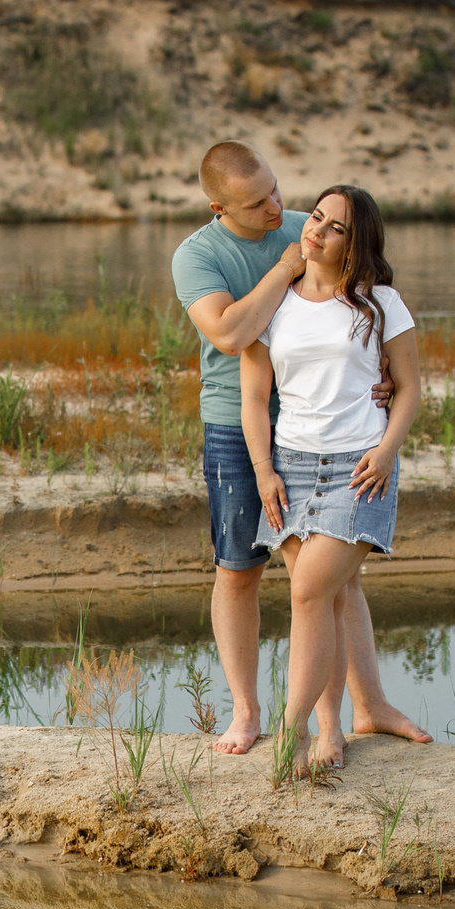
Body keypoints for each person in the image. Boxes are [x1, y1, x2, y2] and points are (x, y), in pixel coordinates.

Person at [174, 149, 425, 760]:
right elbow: (231, 336)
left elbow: (359, 298)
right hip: (244, 423)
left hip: (332, 429)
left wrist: (380, 380)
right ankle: (248, 712)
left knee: (336, 583)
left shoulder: (305, 229)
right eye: (259, 203)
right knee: (238, 566)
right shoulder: (199, 257)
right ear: (220, 209)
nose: (279, 210)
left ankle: (360, 710)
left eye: (279, 193)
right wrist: (285, 270)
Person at [240, 184, 429, 776]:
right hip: (291, 468)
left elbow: (411, 388)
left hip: (359, 470)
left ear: (356, 243)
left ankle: (290, 733)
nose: (315, 231)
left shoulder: (381, 304)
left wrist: (386, 450)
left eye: (335, 227)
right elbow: (254, 398)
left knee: (308, 594)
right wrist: (264, 471)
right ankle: (333, 729)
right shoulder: (276, 305)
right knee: (329, 598)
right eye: (315, 217)